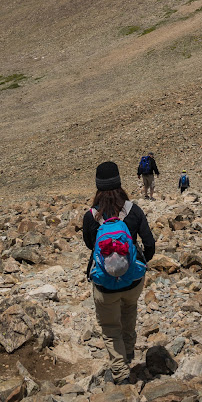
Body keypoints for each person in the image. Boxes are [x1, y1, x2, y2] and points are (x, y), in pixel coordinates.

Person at [83, 161, 155, 385]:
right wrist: (135, 263)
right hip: (133, 280)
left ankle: (121, 373)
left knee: (110, 328)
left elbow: (89, 244)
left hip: (105, 285)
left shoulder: (91, 215)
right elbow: (150, 245)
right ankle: (130, 355)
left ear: (97, 185)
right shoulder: (134, 210)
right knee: (129, 313)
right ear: (119, 182)